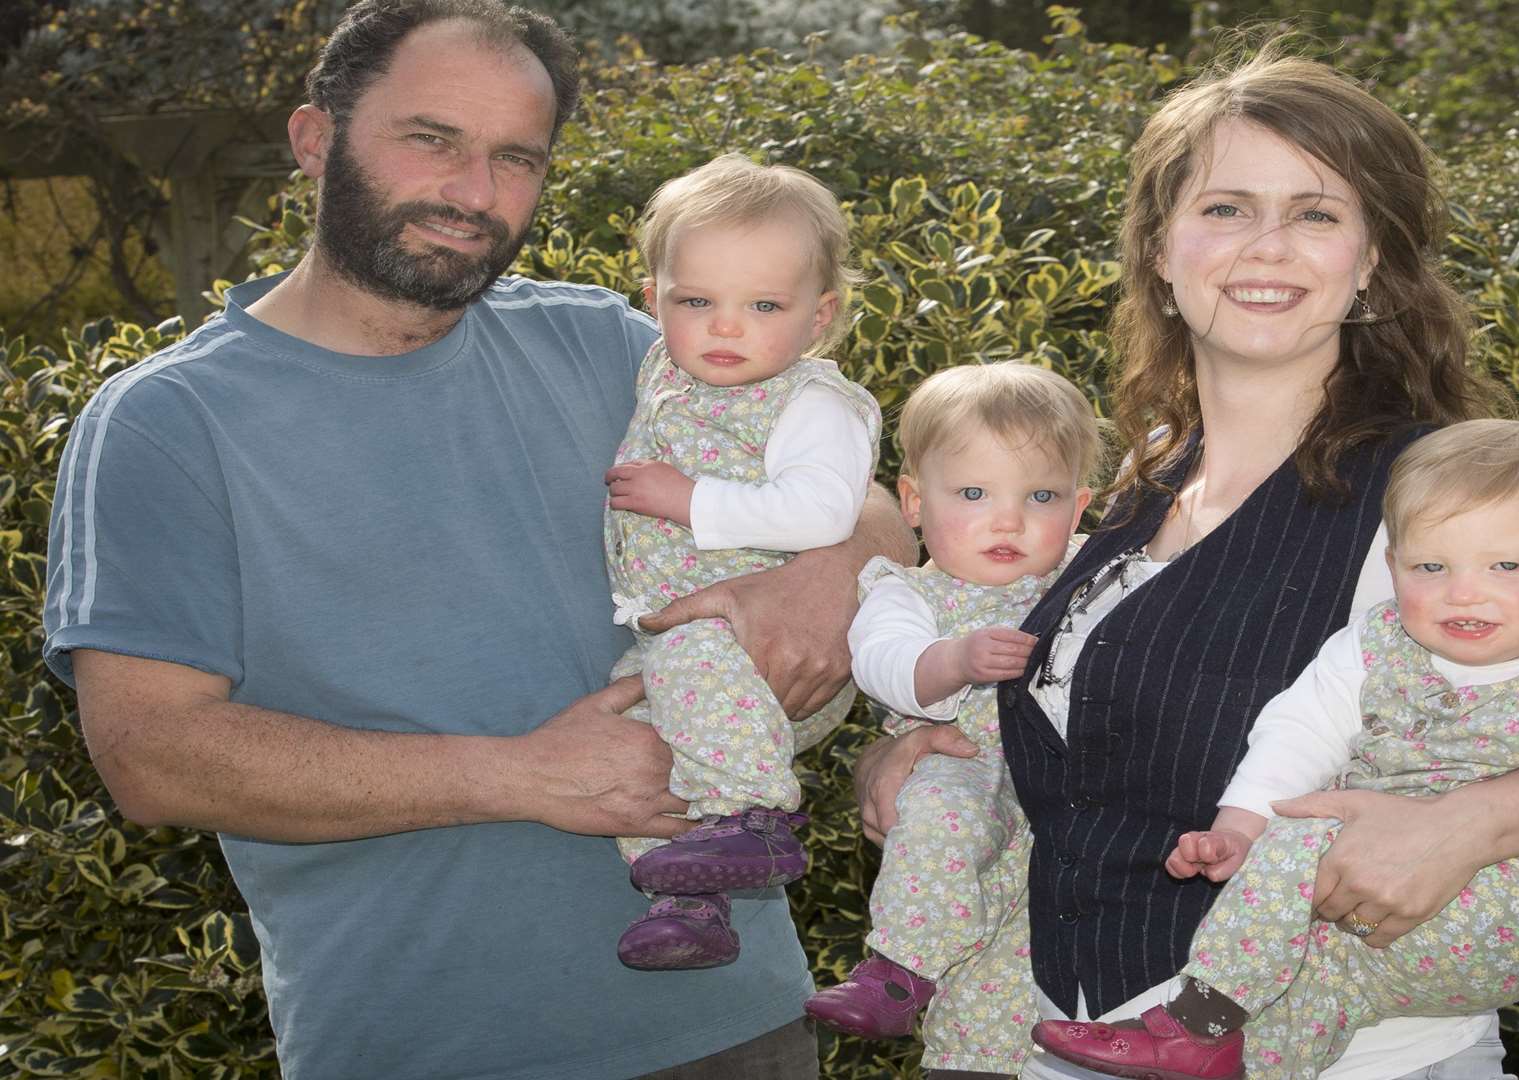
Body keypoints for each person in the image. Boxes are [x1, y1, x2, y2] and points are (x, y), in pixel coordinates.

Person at [853, 39, 1519, 1080]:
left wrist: (1466, 825)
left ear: (1372, 262)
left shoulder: (1435, 494)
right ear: (1161, 251)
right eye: (1225, 208)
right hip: (1067, 1028)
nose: (1268, 246)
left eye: (1316, 213)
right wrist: (911, 750)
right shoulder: (1144, 478)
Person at [39, 2, 913, 1078]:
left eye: (515, 158)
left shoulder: (613, 348)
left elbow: (878, 509)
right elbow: (151, 754)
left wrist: (815, 582)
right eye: (432, 140)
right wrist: (523, 777)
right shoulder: (166, 424)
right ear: (314, 141)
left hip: (739, 1028)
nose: (474, 192)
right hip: (431, 1045)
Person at [1028, 419, 1519, 1080]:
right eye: (1432, 567)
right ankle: (1228, 1052)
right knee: (1301, 1002)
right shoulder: (1376, 643)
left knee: (1309, 831)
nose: (1465, 593)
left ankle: (1197, 1023)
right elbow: (1299, 730)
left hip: (1500, 918)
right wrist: (1236, 827)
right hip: (1368, 935)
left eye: (1506, 568)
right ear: (1394, 568)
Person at [601, 153, 881, 970]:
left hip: (758, 641)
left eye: (763, 305)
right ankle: (693, 901)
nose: (726, 327)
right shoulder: (665, 369)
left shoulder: (810, 402)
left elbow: (825, 510)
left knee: (687, 665)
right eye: (697, 302)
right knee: (628, 748)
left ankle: (754, 816)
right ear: (654, 302)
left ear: (819, 317)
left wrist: (691, 500)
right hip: (687, 642)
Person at [804, 363, 1100, 1038]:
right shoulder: (908, 593)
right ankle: (900, 970)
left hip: (1066, 802)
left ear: (1080, 508)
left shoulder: (1093, 580)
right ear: (912, 502)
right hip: (961, 760)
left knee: (1013, 969)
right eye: (972, 492)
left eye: (1042, 496)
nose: (1008, 519)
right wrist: (954, 661)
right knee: (937, 816)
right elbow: (882, 662)